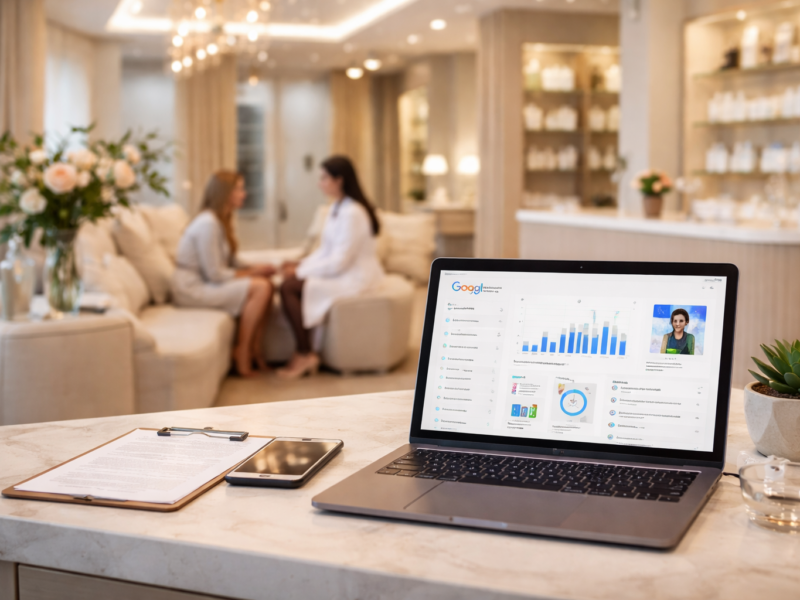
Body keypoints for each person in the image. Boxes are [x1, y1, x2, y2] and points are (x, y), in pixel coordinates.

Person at [278, 156, 384, 378]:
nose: (320, 183)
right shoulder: (337, 207)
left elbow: (339, 262)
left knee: (289, 287)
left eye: (324, 178)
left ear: (339, 180)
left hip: (354, 277)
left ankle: (305, 353)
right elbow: (325, 250)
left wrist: (299, 272)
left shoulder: (353, 212)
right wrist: (300, 265)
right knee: (289, 283)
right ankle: (305, 351)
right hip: (342, 271)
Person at [172, 170, 276, 377]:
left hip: (205, 281)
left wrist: (258, 268)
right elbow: (215, 274)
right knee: (261, 287)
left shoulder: (221, 221)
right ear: (224, 193)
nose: (244, 193)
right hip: (192, 288)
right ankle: (242, 351)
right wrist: (251, 273)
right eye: (238, 189)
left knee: (267, 283)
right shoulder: (208, 224)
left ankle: (255, 350)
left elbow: (231, 261)